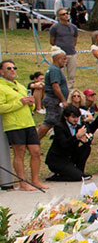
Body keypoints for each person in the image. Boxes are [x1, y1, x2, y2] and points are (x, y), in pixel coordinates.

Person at [0, 59, 47, 190]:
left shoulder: (20, 86)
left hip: (28, 122)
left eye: (14, 67)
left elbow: (28, 107)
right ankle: (22, 182)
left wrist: (31, 104)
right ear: (2, 72)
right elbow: (1, 107)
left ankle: (35, 180)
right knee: (19, 152)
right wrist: (20, 103)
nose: (13, 70)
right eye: (9, 68)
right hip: (14, 124)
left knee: (36, 151)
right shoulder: (1, 87)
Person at [44, 105, 92, 181]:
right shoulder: (59, 127)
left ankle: (80, 171)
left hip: (69, 157)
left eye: (77, 117)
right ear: (66, 117)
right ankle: (56, 177)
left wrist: (86, 140)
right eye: (73, 117)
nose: (76, 120)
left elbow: (88, 140)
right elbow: (64, 144)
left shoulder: (79, 127)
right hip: (58, 159)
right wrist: (76, 137)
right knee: (77, 177)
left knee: (86, 148)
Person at [48, 6, 79, 88]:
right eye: (63, 14)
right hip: (60, 54)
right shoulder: (54, 28)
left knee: (71, 75)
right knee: (60, 74)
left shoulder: (73, 27)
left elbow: (75, 40)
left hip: (71, 53)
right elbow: (52, 41)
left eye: (67, 13)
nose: (66, 15)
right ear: (59, 16)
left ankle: (70, 90)